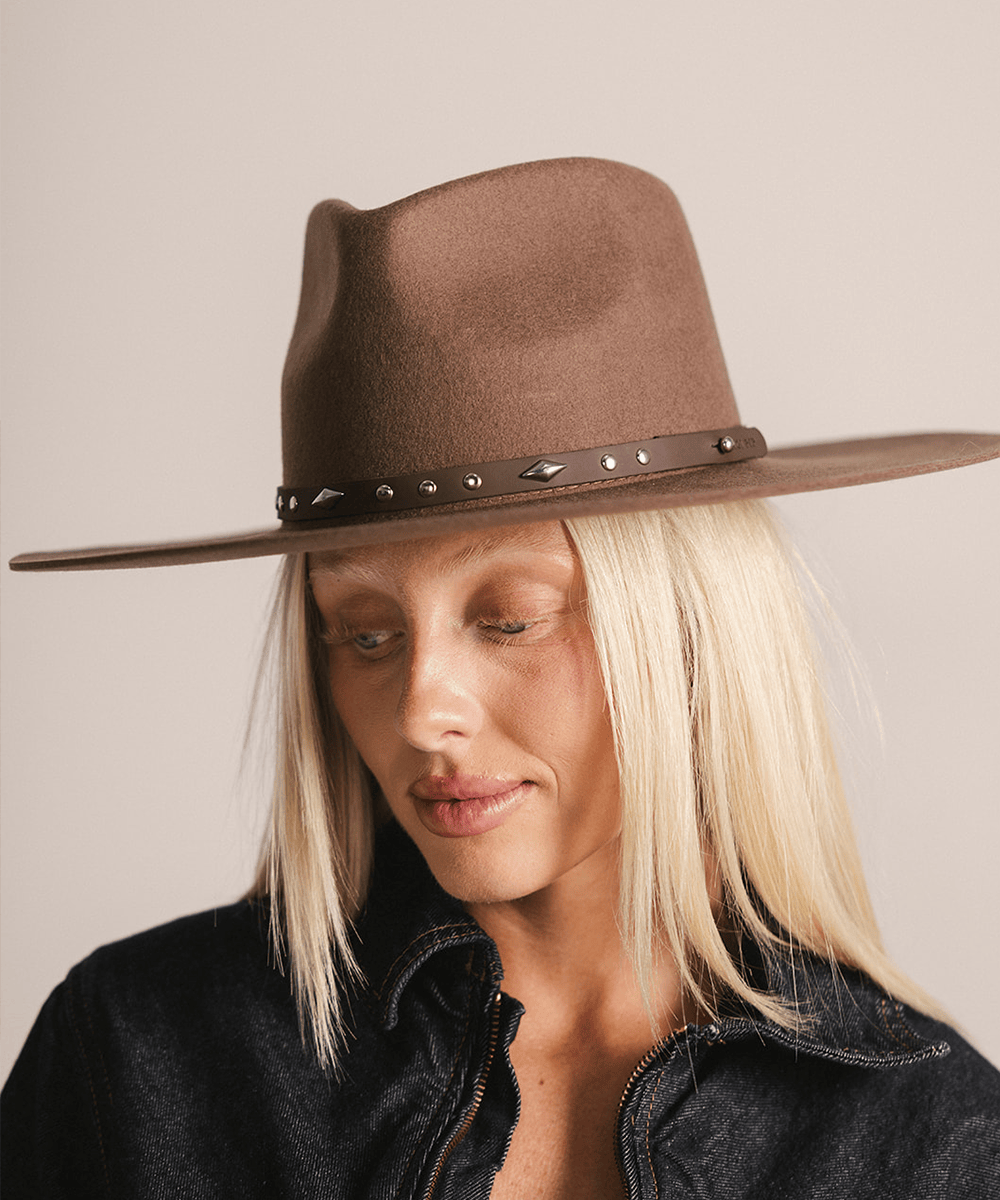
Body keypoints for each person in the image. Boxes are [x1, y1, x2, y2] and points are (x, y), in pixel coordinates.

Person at [3, 157, 998, 1199]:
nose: (424, 711)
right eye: (365, 633)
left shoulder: (938, 1150)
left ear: (696, 631)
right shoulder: (139, 1060)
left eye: (509, 619)